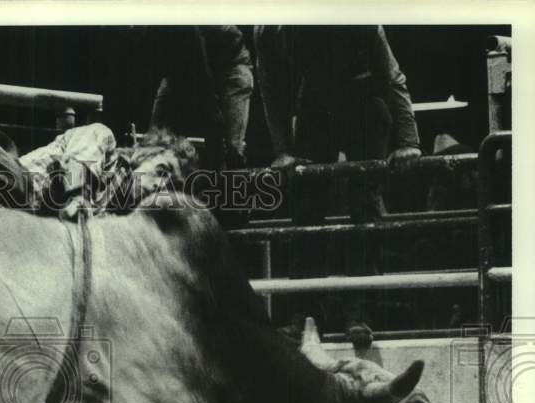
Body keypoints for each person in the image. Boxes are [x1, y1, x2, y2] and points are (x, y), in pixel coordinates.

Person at [255, 25, 422, 335]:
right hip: (315, 102)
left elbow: (392, 77)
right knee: (305, 207)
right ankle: (305, 314)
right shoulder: (269, 29)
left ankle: (361, 314)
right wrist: (283, 150)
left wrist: (408, 141)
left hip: (364, 96)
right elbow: (270, 88)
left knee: (365, 206)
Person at [147, 25, 254, 171]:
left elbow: (202, 74)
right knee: (153, 142)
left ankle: (229, 187)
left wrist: (213, 112)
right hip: (183, 69)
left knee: (231, 149)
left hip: (229, 65)